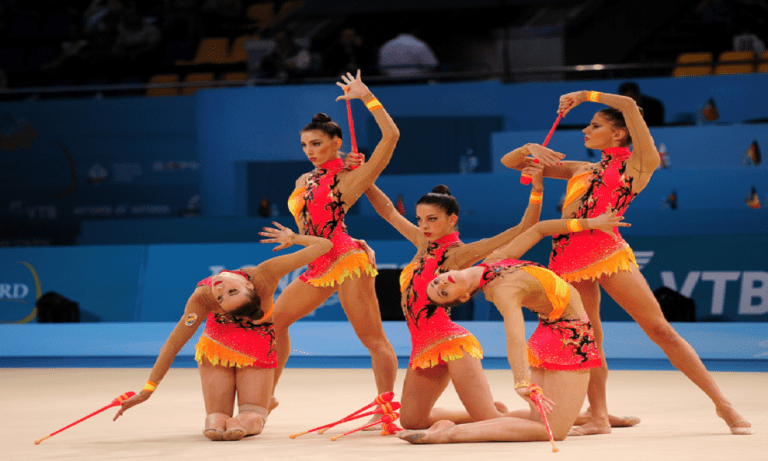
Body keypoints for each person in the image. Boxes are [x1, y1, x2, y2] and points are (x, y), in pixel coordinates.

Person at [501, 90, 752, 436]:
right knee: (589, 339)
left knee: (661, 329)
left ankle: (723, 405)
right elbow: (510, 162)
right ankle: (599, 416)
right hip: (566, 258)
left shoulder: (637, 165)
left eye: (595, 125)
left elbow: (630, 107)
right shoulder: (582, 168)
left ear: (618, 133)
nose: (585, 131)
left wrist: (586, 95)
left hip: (606, 253)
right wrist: (531, 147)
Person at [397, 211, 627, 444]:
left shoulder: (495, 261)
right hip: (569, 339)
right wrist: (521, 382)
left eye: (437, 282)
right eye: (444, 293)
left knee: (539, 422)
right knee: (553, 431)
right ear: (464, 297)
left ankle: (595, 416)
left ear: (443, 273)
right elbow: (515, 335)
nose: (442, 284)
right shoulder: (501, 292)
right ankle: (450, 434)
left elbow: (540, 229)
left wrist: (591, 223)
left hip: (551, 335)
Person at [362, 158, 556, 429]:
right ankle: (483, 411)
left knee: (489, 421)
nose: (424, 225)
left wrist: (537, 188)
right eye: (420, 219)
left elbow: (524, 228)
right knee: (411, 421)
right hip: (422, 347)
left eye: (432, 219)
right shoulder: (422, 242)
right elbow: (388, 211)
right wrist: (364, 178)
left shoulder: (460, 254)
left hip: (451, 344)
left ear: (452, 219)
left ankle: (576, 419)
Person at [113, 222, 333, 441]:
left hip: (257, 344)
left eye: (228, 293)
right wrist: (147, 390)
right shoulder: (204, 297)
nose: (219, 289)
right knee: (216, 420)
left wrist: (294, 238)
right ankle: (249, 407)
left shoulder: (264, 276)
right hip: (218, 345)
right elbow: (173, 345)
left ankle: (260, 407)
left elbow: (324, 245)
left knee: (250, 417)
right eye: (223, 296)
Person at [272, 71, 400, 417]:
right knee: (274, 324)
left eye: (316, 144)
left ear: (336, 143)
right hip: (316, 261)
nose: (310, 151)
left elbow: (391, 137)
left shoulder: (350, 177)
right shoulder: (305, 178)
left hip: (346, 260)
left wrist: (367, 97)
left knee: (373, 339)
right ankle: (265, 396)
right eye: (305, 145)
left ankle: (385, 408)